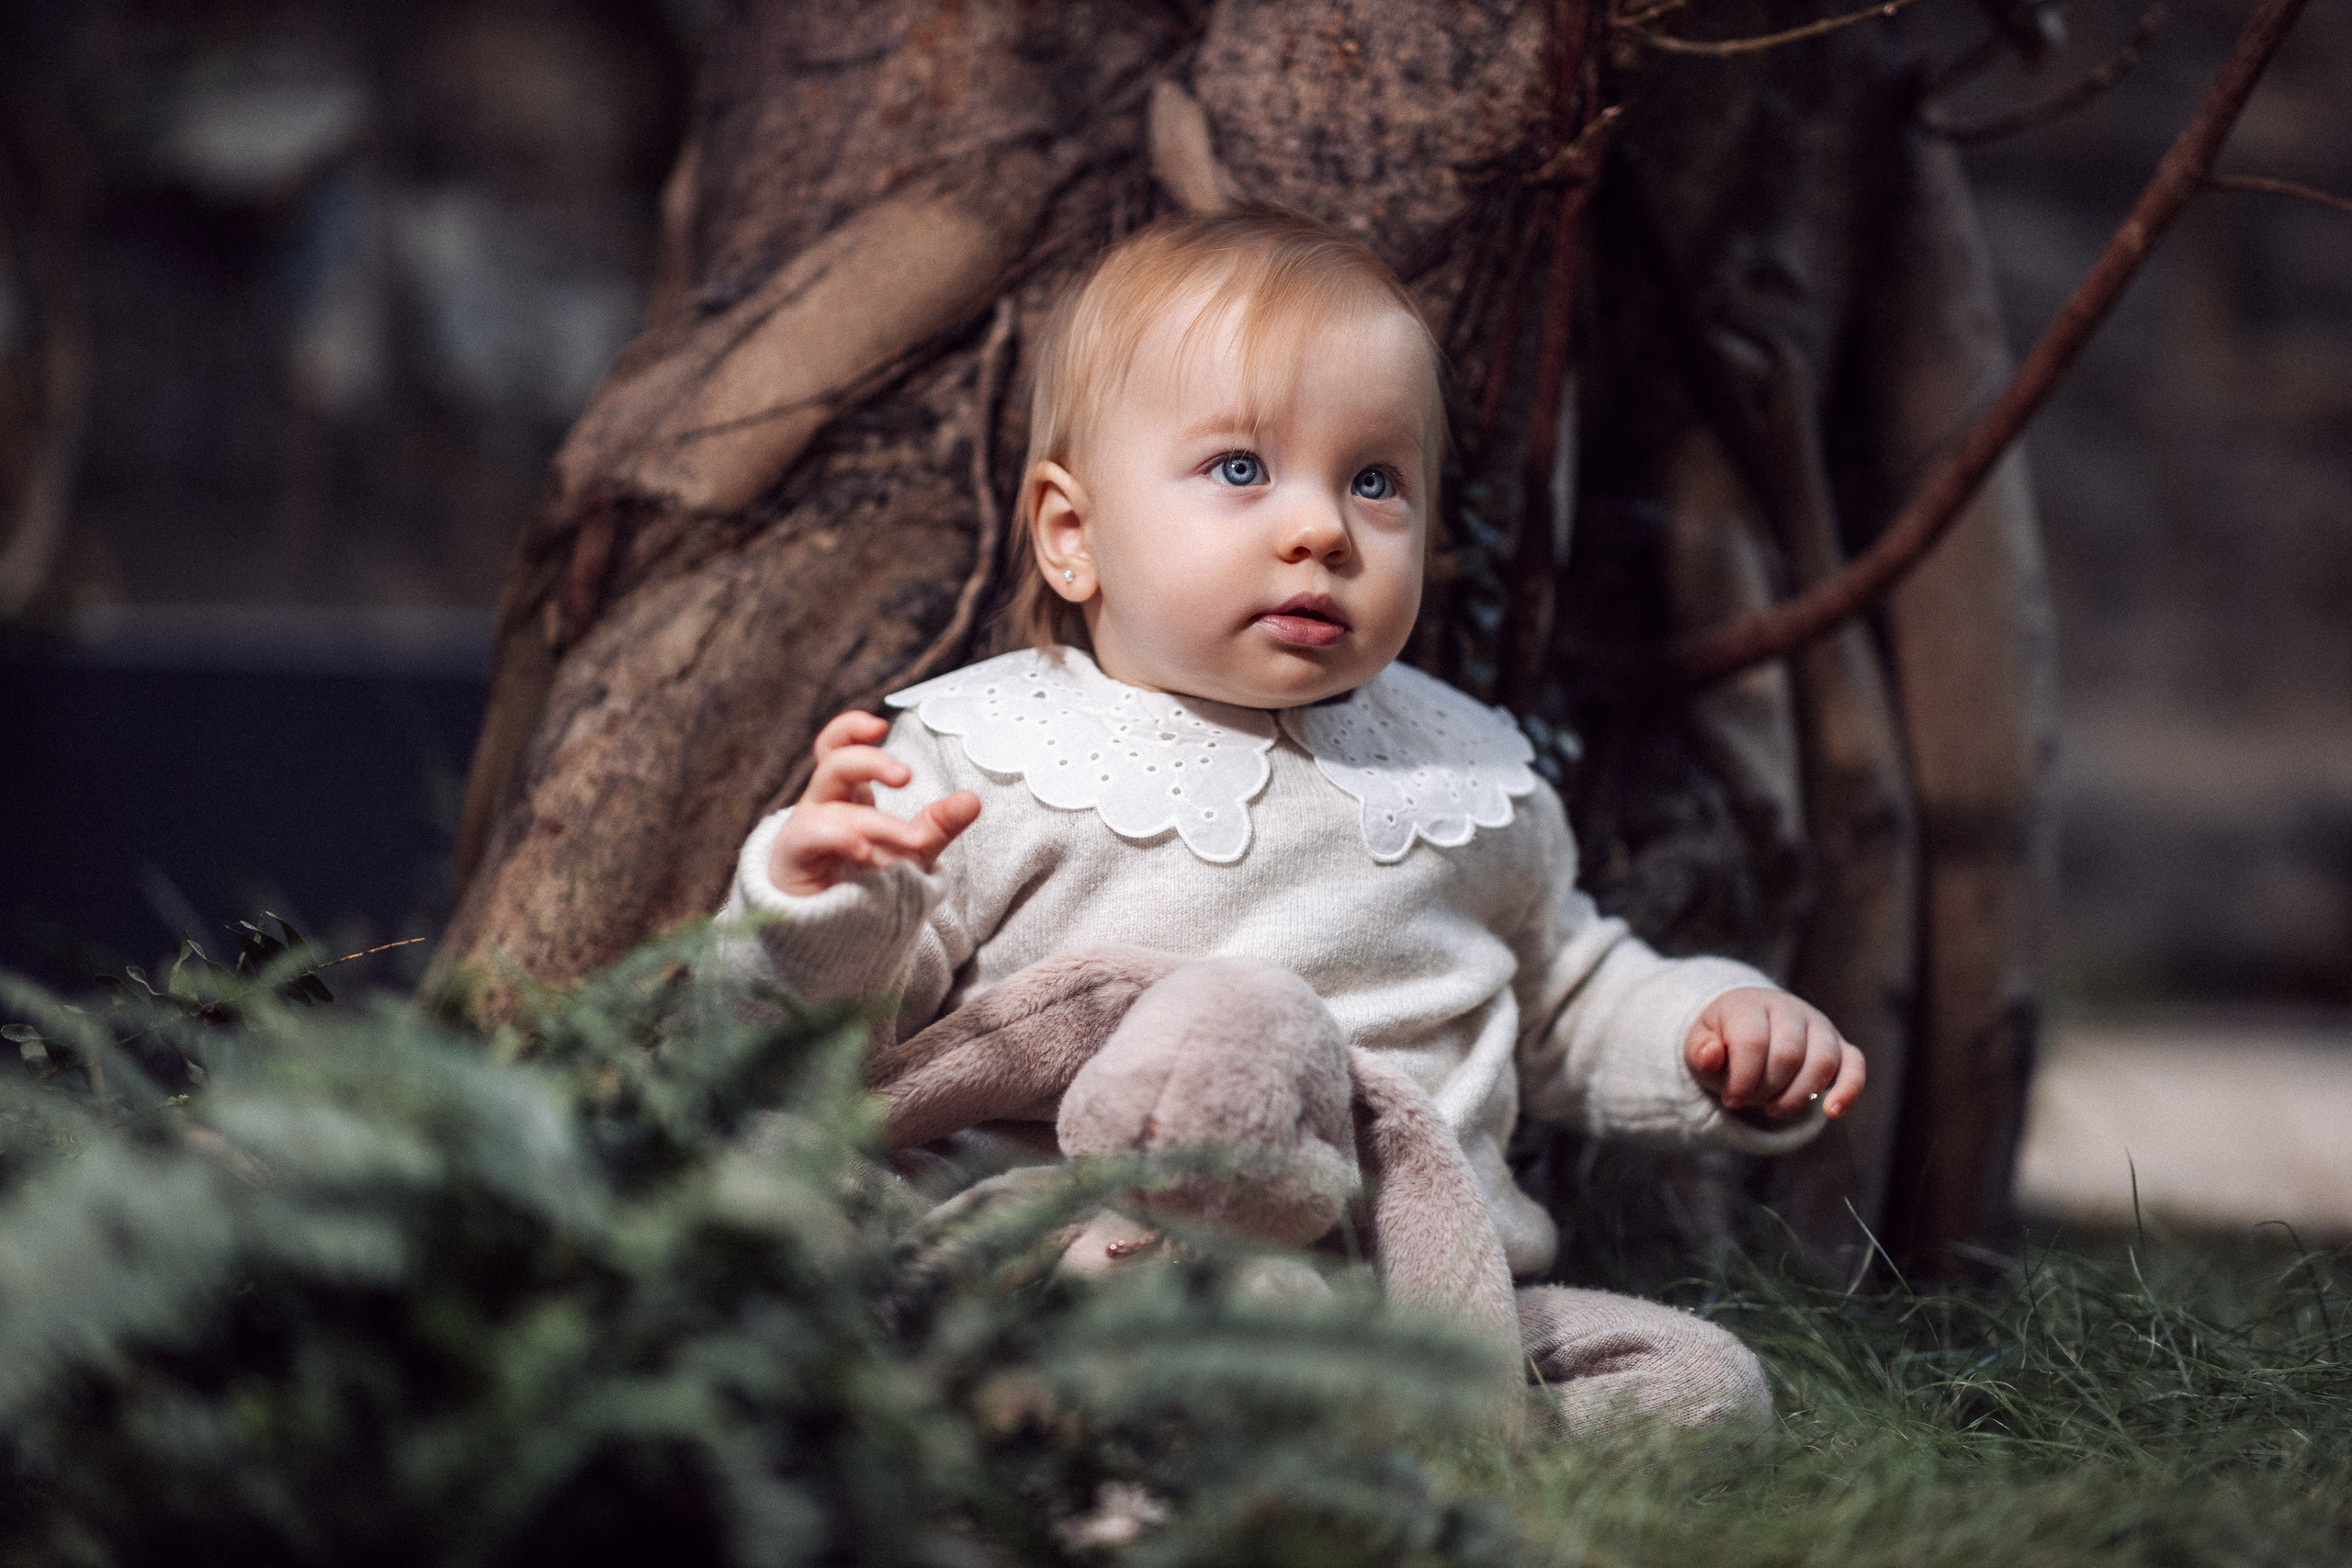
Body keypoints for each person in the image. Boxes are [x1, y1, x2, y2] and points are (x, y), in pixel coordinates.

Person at [717, 208, 1862, 1435]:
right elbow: (816, 1040)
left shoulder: (1463, 775)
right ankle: (1154, 1442)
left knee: (1711, 1389)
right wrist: (821, 891)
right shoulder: (988, 753)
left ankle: (1419, 1459)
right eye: (1240, 470)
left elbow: (1564, 995)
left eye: (1374, 481)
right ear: (1073, 535)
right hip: (1103, 1267)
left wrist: (1710, 1032)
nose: (1318, 528)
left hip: (1421, 1309)